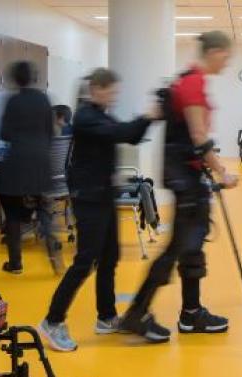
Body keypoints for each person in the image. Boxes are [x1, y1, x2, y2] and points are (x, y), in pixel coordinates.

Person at [120, 31, 240, 343]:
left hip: (186, 177)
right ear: (214, 52)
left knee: (191, 246)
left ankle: (191, 313)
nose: (226, 64)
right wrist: (223, 172)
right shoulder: (193, 82)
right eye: (226, 57)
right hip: (185, 178)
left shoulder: (185, 79)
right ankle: (137, 313)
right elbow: (199, 136)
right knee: (177, 248)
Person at [37, 69, 159, 351]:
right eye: (111, 91)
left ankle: (106, 317)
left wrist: (150, 118)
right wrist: (148, 116)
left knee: (109, 257)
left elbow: (131, 136)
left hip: (103, 195)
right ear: (96, 89)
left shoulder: (101, 113)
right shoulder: (87, 117)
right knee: (85, 261)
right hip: (89, 198)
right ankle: (52, 321)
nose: (114, 96)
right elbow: (122, 133)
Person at [0, 61, 60, 274]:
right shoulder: (43, 99)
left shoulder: (12, 101)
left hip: (18, 163)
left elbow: (3, 133)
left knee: (12, 211)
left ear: (15, 79)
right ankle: (52, 246)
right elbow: (51, 133)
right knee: (43, 207)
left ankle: (15, 263)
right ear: (33, 77)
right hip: (42, 164)